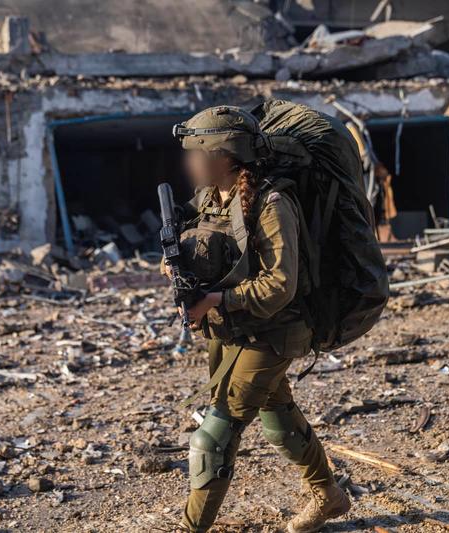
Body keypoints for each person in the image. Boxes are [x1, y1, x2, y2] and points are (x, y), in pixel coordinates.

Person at [168, 106, 351, 533]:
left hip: (274, 329)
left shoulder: (272, 203)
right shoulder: (211, 198)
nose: (189, 162)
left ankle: (190, 528)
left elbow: (280, 286)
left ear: (226, 156)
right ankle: (329, 496)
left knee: (214, 436)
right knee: (278, 416)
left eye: (197, 152)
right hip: (233, 325)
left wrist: (215, 297)